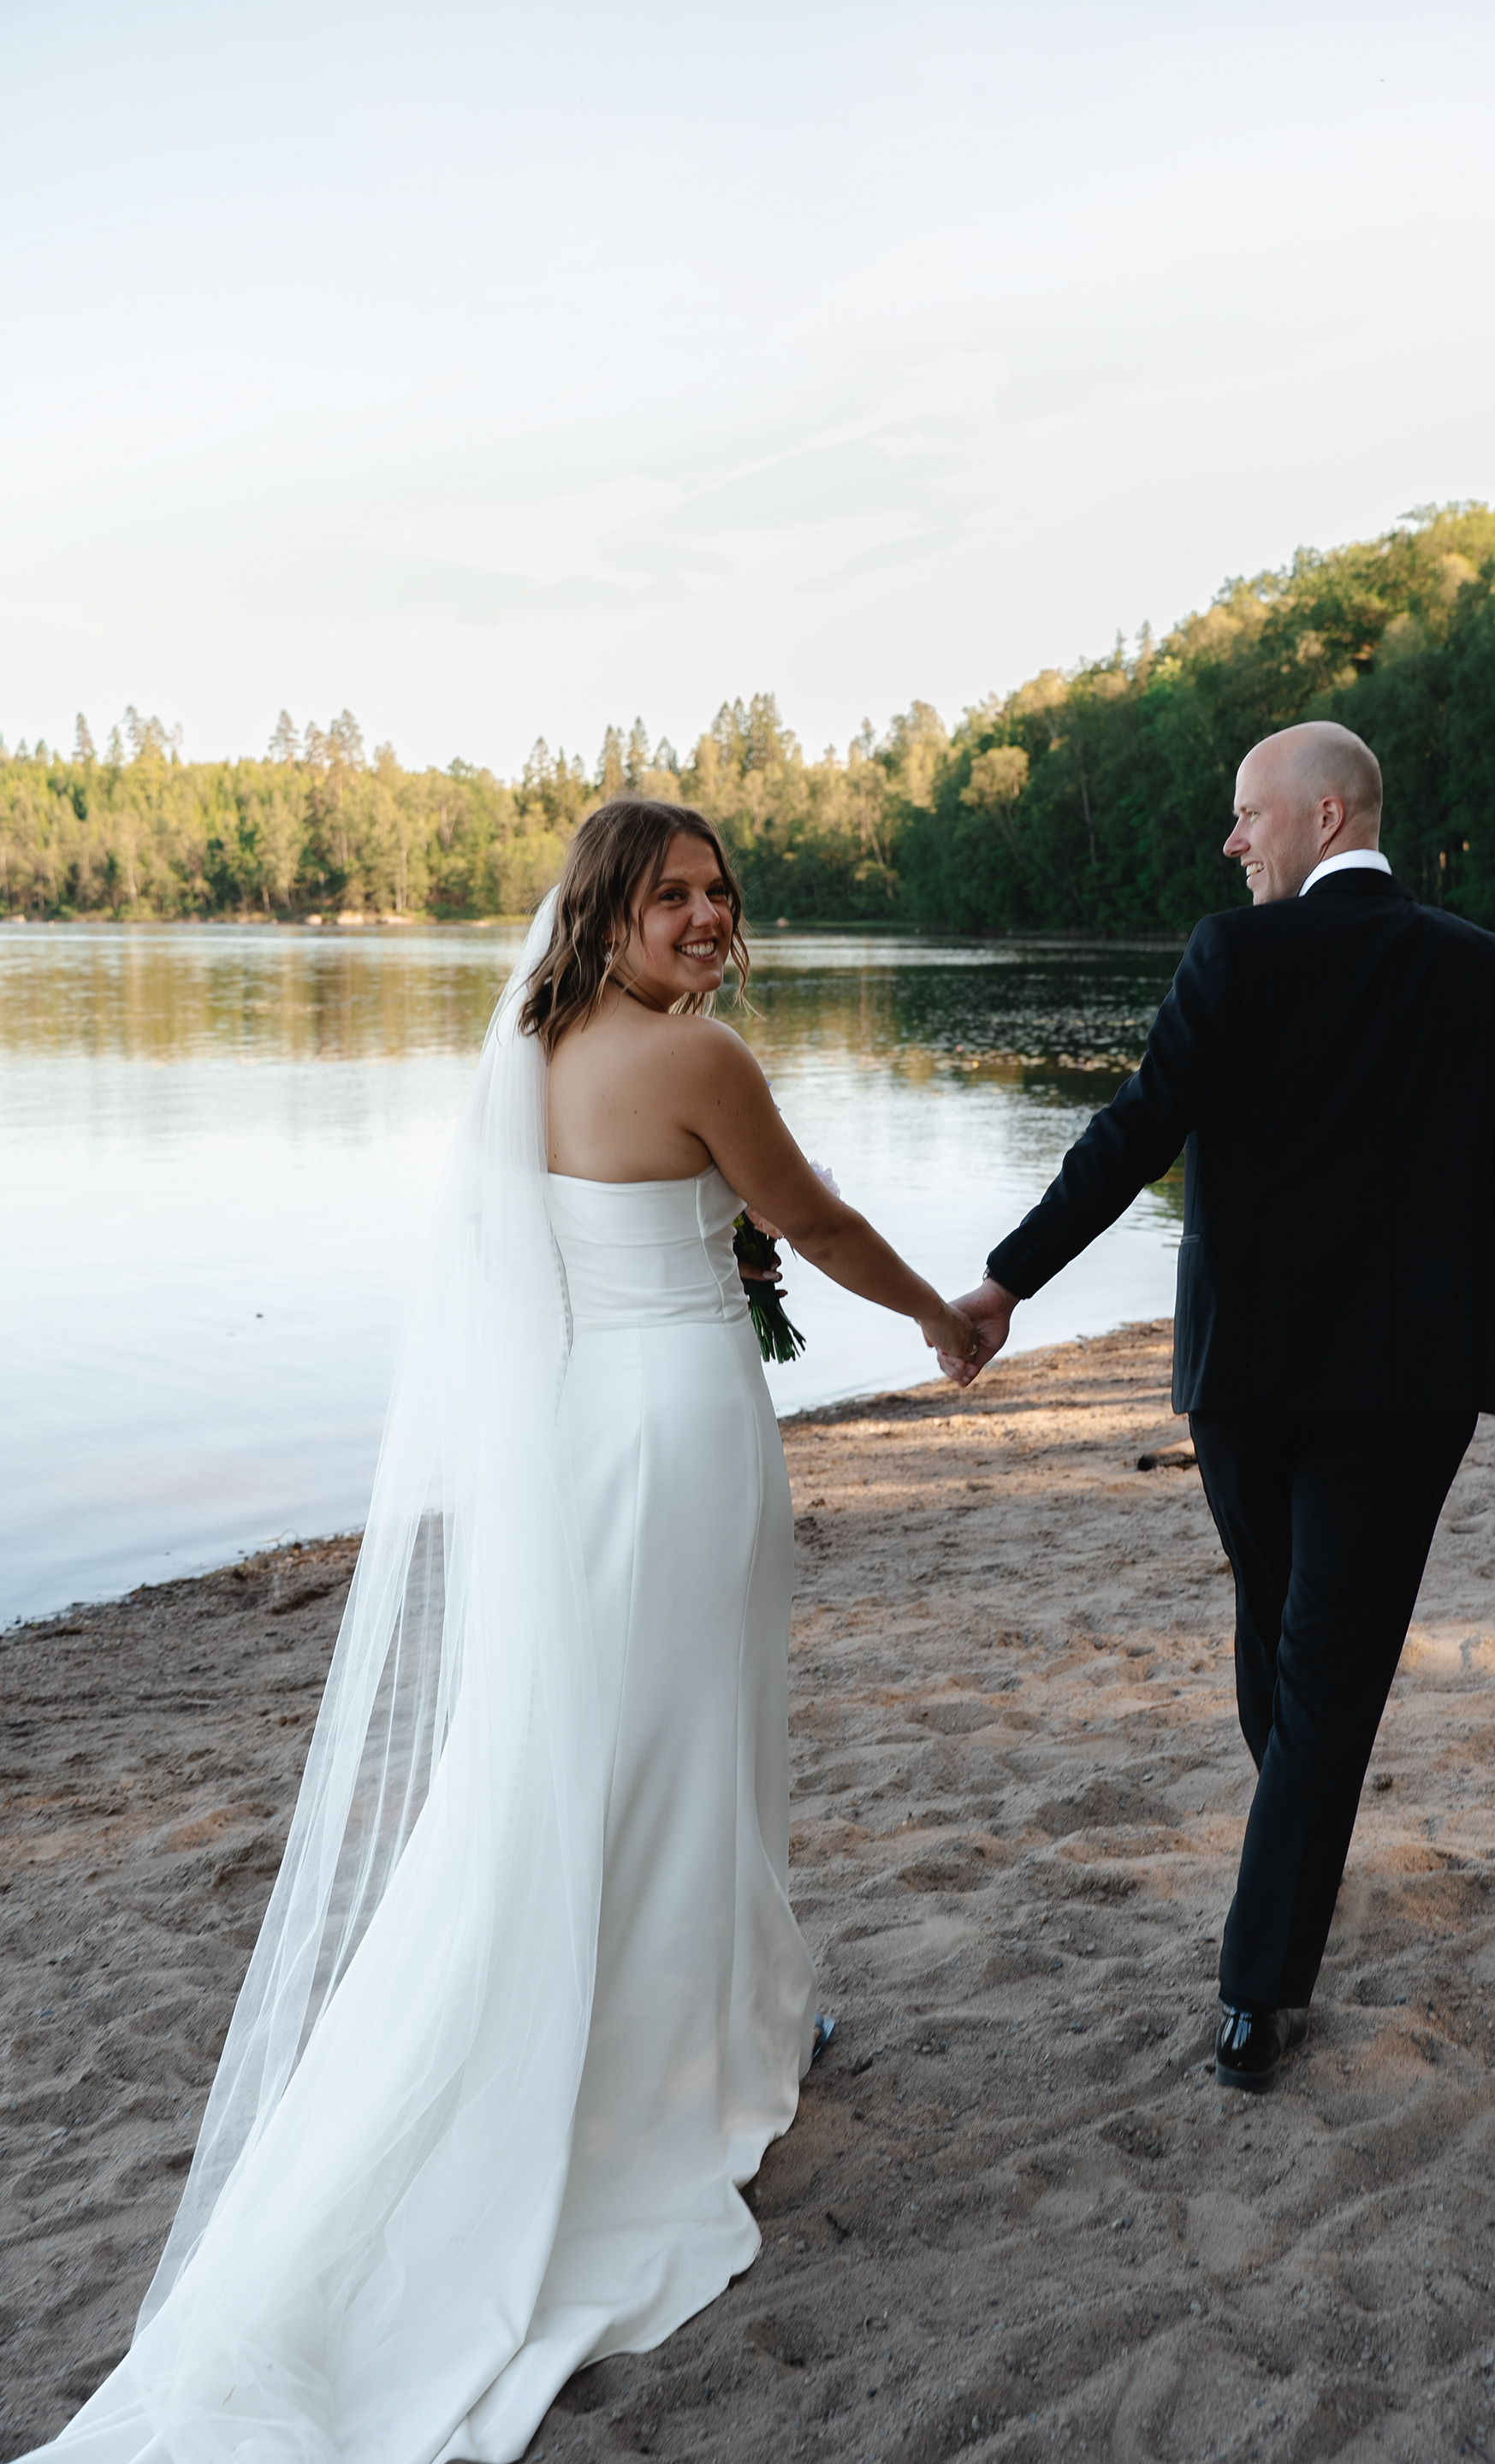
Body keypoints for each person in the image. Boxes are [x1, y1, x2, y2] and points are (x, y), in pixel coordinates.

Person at [27, 798, 974, 2463]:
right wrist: (940, 1318)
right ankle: (682, 2061)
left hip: (582, 1439)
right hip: (679, 1432)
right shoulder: (699, 1058)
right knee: (686, 1742)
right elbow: (813, 1225)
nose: (708, 918)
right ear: (603, 914)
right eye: (672, 896)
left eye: (720, 893)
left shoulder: (528, 1059)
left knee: (604, 1743)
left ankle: (705, 2016)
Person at [940, 720, 1495, 2094]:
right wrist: (1489, 1356)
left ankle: (1255, 1991)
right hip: (1409, 1390)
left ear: (1326, 816)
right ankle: (1302, 1848)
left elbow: (1132, 1133)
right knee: (1298, 1654)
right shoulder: (1489, 972)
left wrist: (1007, 1282)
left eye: (1247, 815)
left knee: (1305, 1653)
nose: (1231, 842)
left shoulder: (1238, 956)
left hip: (1251, 1383)